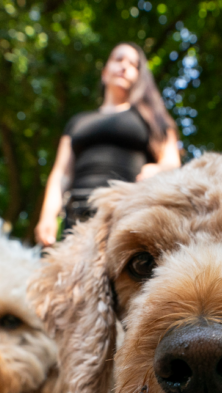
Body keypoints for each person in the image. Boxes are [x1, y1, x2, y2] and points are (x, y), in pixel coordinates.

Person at [35, 43, 181, 246]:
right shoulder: (78, 121)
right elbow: (61, 173)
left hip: (125, 215)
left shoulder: (153, 119)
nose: (124, 66)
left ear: (139, 76)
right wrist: (47, 216)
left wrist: (156, 169)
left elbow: (172, 163)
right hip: (77, 219)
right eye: (118, 59)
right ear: (105, 73)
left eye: (133, 64)